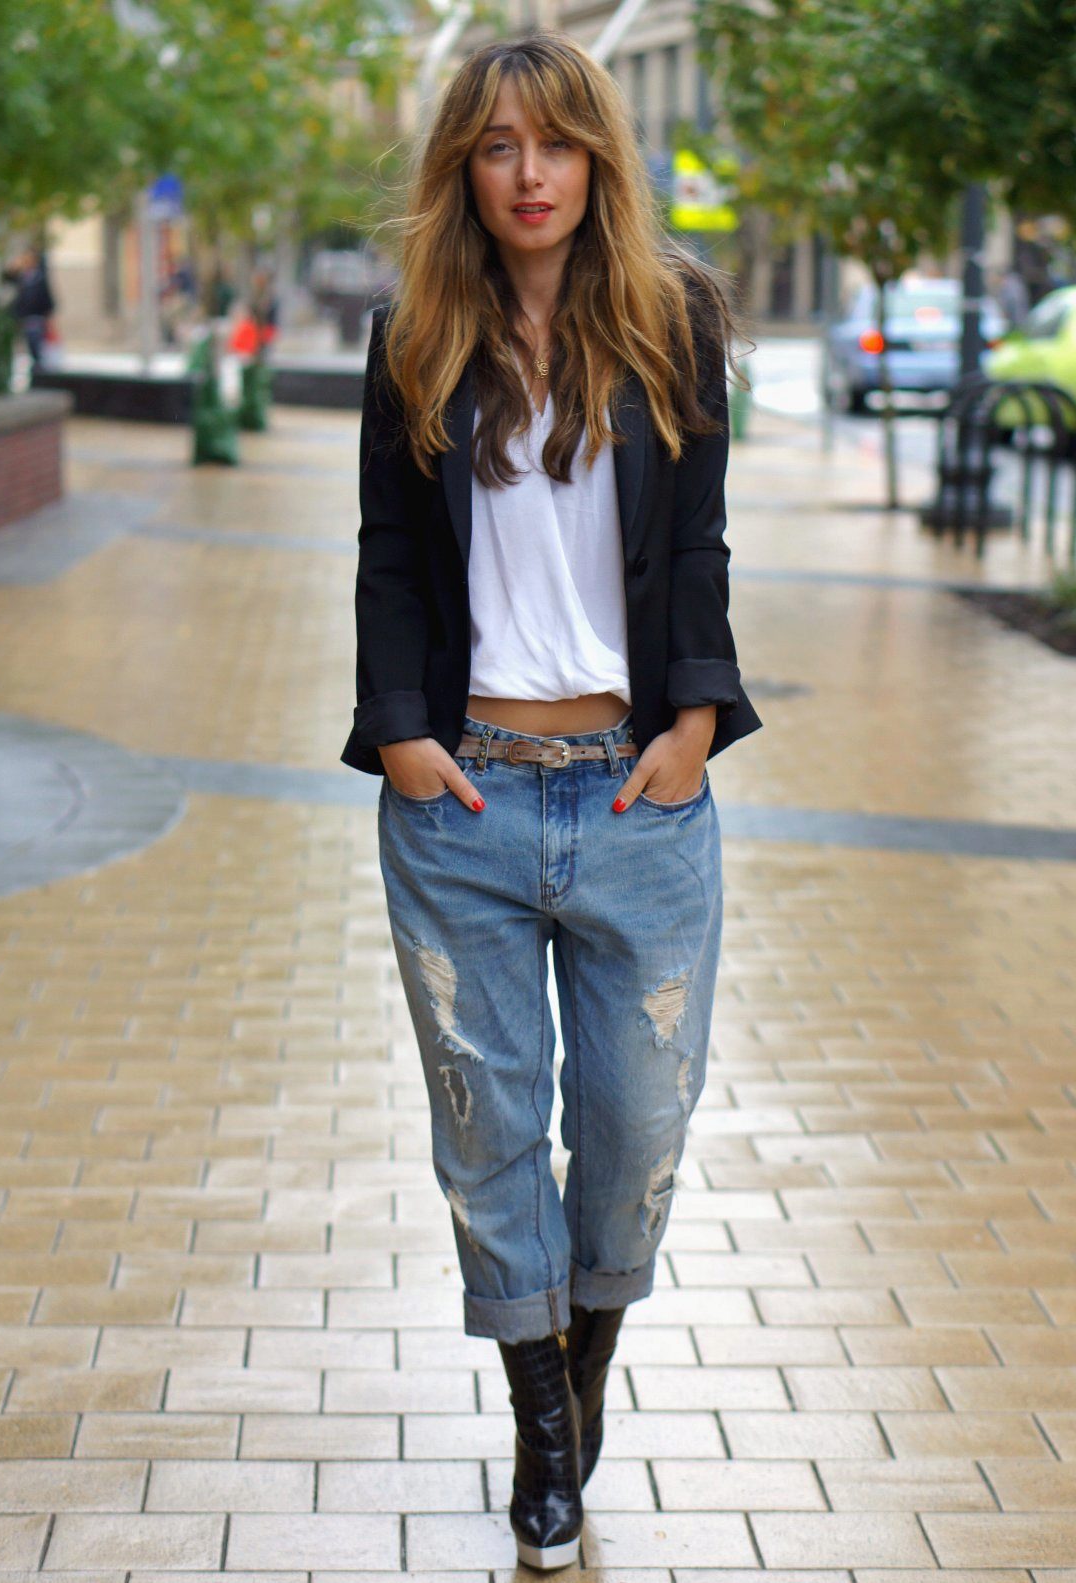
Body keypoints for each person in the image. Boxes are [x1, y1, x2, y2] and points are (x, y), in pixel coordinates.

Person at [340, 30, 762, 1571]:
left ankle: (578, 1384)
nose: (531, 174)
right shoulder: (416, 333)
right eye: (500, 145)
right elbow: (390, 552)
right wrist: (400, 734)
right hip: (463, 798)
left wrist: (696, 722)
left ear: (598, 157)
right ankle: (543, 1429)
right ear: (465, 165)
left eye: (558, 143)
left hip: (638, 795)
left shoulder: (673, 319)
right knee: (490, 1129)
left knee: (638, 1125)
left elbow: (699, 540)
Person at [3, 247, 56, 375]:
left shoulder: (40, 278)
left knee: (35, 345)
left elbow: (47, 299)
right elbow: (5, 279)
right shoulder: (21, 276)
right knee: (18, 346)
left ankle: (37, 372)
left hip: (35, 317)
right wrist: (14, 267)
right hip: (21, 317)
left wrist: (47, 318)